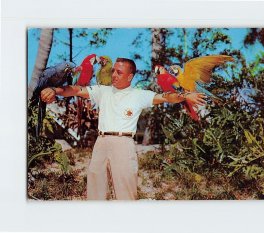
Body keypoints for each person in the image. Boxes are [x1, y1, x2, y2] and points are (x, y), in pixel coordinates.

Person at [41, 58, 207, 200]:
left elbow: (166, 97)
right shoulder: (102, 91)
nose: (113, 75)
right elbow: (76, 89)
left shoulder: (139, 94)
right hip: (100, 143)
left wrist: (185, 96)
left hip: (124, 144)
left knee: (125, 194)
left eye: (119, 73)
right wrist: (54, 90)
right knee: (95, 193)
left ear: (130, 76)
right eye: (113, 71)